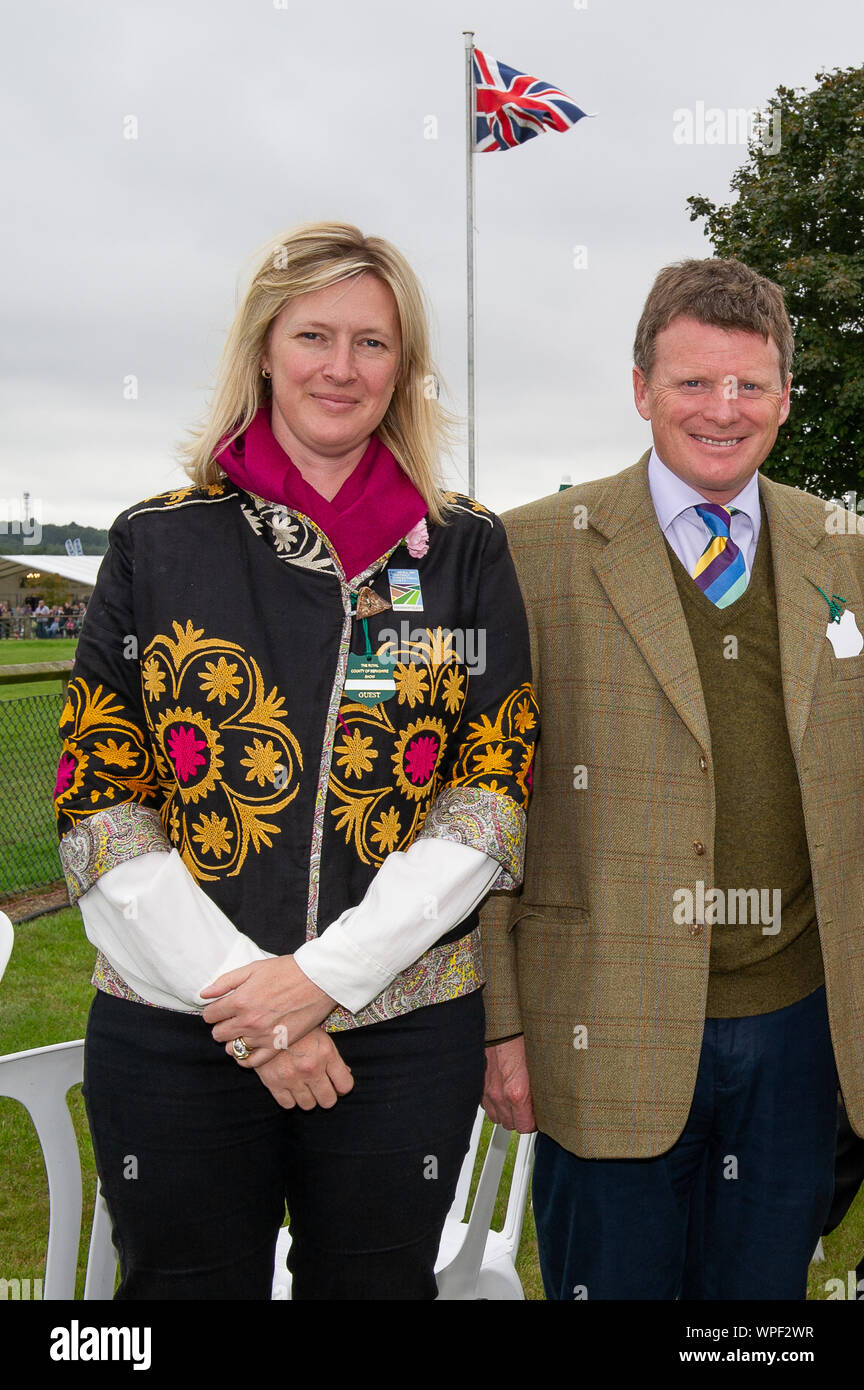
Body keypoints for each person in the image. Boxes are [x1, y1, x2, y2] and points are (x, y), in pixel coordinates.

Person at [53, 221, 538, 1300]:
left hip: (401, 1032)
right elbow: (100, 804)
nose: (341, 366)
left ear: (404, 366)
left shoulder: (465, 550)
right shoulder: (156, 540)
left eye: (373, 342)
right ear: (264, 348)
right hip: (175, 1028)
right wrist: (260, 1009)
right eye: (313, 333)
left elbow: (488, 795)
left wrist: (323, 981)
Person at [481, 256, 864, 1301]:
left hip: (797, 1033)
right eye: (693, 382)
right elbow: (478, 805)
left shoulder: (845, 552)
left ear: (786, 396)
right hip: (604, 1026)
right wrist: (500, 1022)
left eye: (748, 385)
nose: (722, 410)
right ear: (641, 387)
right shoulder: (529, 554)